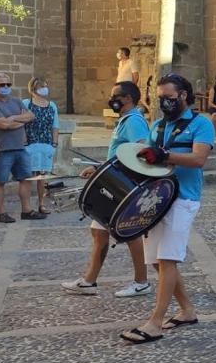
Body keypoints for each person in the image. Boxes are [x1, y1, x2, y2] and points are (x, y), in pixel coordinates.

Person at [120, 73, 216, 344]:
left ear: (184, 95)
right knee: (156, 262)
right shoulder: (158, 125)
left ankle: (155, 323)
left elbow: (198, 159)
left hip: (183, 198)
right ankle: (187, 311)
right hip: (155, 197)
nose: (164, 103)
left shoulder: (201, 124)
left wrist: (166, 155)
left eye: (169, 98)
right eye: (160, 98)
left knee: (168, 260)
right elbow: (146, 158)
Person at [62, 81, 152, 297]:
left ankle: (141, 281)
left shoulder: (133, 122)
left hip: (124, 185)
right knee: (98, 231)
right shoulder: (125, 120)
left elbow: (141, 151)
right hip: (115, 181)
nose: (111, 100)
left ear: (128, 98)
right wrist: (97, 168)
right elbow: (117, 155)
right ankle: (89, 281)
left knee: (130, 232)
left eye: (115, 96)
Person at [0, 72, 42, 223]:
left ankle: (26, 210)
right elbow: (2, 124)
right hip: (1, 149)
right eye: (1, 85)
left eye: (8, 84)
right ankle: (0, 213)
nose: (5, 87)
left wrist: (13, 118)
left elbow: (31, 116)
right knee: (0, 182)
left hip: (20, 147)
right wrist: (20, 121)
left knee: (26, 178)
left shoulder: (16, 101)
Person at [22, 77, 60, 215]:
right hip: (30, 144)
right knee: (28, 177)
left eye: (45, 85)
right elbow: (21, 123)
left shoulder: (52, 105)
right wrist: (25, 142)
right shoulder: (26, 103)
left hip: (46, 144)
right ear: (33, 89)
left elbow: (55, 126)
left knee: (42, 177)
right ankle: (26, 207)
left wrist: (54, 144)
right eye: (40, 86)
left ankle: (42, 204)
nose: (44, 89)